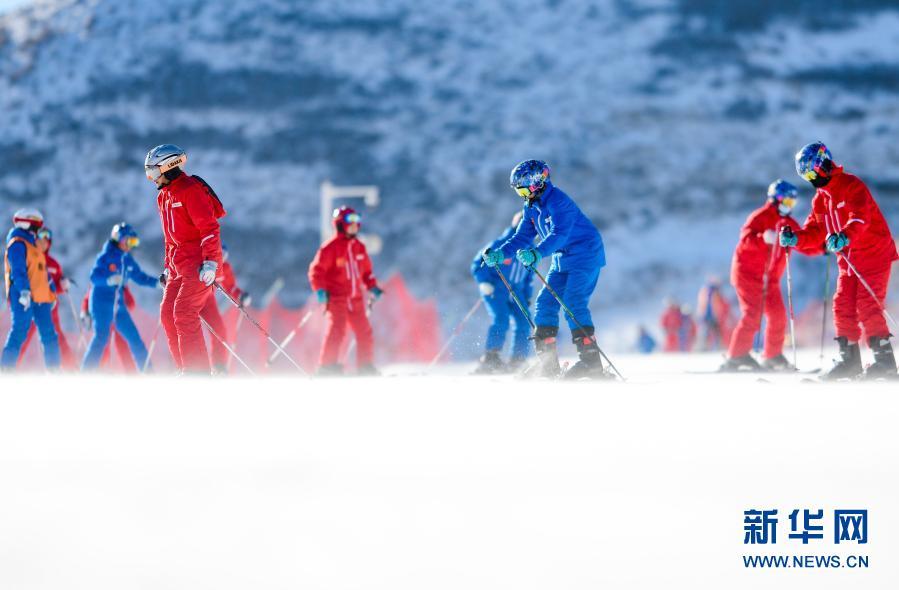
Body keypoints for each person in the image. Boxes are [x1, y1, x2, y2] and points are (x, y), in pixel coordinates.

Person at [781, 141, 898, 379]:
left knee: (868, 305)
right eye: (806, 176)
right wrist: (795, 238)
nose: (812, 179)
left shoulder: (852, 186)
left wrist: (844, 236)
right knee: (842, 305)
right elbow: (814, 232)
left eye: (812, 172)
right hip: (848, 262)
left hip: (874, 254)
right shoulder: (820, 200)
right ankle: (849, 359)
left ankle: (885, 362)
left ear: (824, 164)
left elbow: (860, 219)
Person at [482, 160, 606, 379]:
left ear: (537, 183)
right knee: (544, 303)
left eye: (522, 188)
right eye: (517, 190)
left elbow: (560, 234)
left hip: (585, 254)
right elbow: (522, 237)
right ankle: (548, 365)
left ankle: (591, 362)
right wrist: (500, 254)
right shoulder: (531, 206)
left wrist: (537, 253)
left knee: (573, 302)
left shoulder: (559, 202)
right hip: (562, 258)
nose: (520, 194)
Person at [147, 144, 226, 374]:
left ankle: (197, 372)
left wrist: (212, 261)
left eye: (152, 171)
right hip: (178, 266)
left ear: (168, 167)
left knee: (184, 312)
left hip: (199, 264)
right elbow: (170, 239)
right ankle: (186, 370)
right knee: (167, 313)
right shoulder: (163, 197)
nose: (151, 178)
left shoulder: (190, 190)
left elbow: (209, 228)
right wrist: (167, 268)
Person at [721, 180, 802, 372]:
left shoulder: (789, 223)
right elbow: (746, 239)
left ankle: (772, 356)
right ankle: (736, 356)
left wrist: (820, 247)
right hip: (747, 275)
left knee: (777, 315)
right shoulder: (760, 217)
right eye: (785, 201)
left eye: (792, 203)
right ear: (775, 198)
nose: (788, 206)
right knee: (753, 314)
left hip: (770, 278)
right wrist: (762, 238)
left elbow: (803, 239)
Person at [308, 206, 383, 375]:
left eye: (357, 221)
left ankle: (365, 366)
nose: (355, 225)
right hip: (337, 298)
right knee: (337, 330)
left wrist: (372, 286)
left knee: (364, 331)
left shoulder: (359, 247)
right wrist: (320, 290)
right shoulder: (330, 248)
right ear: (340, 224)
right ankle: (327, 367)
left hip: (355, 299)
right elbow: (316, 271)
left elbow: (366, 273)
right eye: (350, 221)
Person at [81, 223, 159, 370]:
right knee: (101, 338)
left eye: (133, 242)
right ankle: (86, 373)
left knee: (135, 339)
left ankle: (148, 373)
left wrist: (158, 283)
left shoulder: (127, 259)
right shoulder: (105, 257)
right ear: (119, 239)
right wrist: (108, 280)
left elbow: (140, 277)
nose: (130, 245)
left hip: (118, 307)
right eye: (128, 241)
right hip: (101, 303)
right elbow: (94, 277)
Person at [470, 212, 533, 374]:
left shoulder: (530, 247)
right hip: (496, 288)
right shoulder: (503, 243)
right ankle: (491, 357)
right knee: (501, 319)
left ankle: (518, 359)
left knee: (524, 321)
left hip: (517, 290)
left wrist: (527, 294)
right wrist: (484, 282)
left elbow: (529, 275)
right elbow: (478, 264)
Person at [1, 208, 60, 371]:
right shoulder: (17, 244)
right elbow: (18, 270)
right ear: (26, 224)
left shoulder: (34, 247)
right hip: (23, 296)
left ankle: (54, 369)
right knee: (19, 330)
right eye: (35, 227)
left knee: (49, 334)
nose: (37, 231)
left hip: (41, 298)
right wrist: (23, 291)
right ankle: (6, 369)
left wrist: (52, 293)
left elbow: (44, 273)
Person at [17, 227, 76, 369]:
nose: (43, 244)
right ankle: (9, 366)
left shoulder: (53, 264)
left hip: (49, 307)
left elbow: (57, 285)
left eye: (46, 242)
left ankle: (70, 368)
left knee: (56, 337)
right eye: (40, 240)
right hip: (30, 305)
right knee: (22, 336)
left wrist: (63, 285)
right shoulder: (27, 259)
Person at [200, 242, 250, 374]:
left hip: (208, 300)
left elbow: (231, 287)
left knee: (220, 331)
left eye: (224, 255)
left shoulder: (225, 268)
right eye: (219, 254)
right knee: (189, 331)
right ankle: (188, 365)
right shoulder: (205, 264)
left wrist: (241, 296)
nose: (221, 258)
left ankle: (219, 366)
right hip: (193, 297)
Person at [696, 277, 731, 351]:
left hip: (705, 316)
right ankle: (718, 346)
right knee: (717, 332)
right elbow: (719, 305)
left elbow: (701, 305)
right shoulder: (716, 292)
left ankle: (704, 347)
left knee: (706, 332)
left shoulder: (704, 291)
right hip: (714, 316)